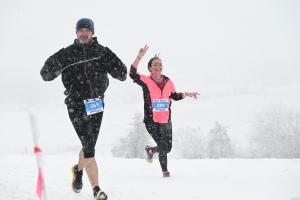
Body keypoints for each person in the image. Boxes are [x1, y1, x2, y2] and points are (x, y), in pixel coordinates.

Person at [40, 18, 127, 200]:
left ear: (92, 32)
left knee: (90, 145)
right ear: (76, 33)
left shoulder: (102, 52)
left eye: (87, 30)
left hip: (96, 103)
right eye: (81, 30)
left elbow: (121, 73)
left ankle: (78, 170)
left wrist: (114, 67)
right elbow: (45, 74)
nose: (84, 33)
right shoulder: (67, 54)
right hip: (76, 104)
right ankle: (96, 189)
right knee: (88, 146)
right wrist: (56, 68)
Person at [129, 45, 199, 178]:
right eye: (155, 64)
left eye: (160, 64)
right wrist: (139, 57)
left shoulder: (168, 81)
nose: (158, 66)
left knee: (167, 148)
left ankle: (150, 150)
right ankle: (165, 172)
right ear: (150, 68)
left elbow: (174, 96)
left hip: (166, 120)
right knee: (162, 145)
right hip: (151, 120)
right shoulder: (146, 81)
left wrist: (185, 94)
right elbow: (132, 73)